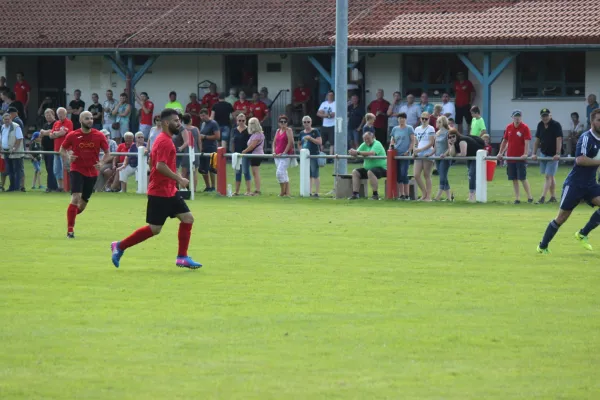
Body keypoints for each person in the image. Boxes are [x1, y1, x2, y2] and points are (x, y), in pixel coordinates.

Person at [111, 108, 202, 269]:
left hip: (169, 191)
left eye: (179, 121)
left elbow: (161, 163)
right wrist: (179, 178)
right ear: (166, 122)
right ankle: (119, 246)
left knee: (188, 219)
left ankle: (182, 257)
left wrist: (174, 179)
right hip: (159, 193)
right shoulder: (165, 141)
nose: (178, 124)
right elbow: (160, 166)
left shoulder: (164, 139)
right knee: (154, 229)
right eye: (175, 121)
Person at [536, 109, 600, 255]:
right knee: (561, 218)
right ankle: (542, 246)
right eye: (599, 120)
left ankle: (583, 234)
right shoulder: (586, 138)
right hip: (575, 185)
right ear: (592, 122)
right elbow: (580, 159)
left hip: (590, 185)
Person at [59, 111, 109, 238]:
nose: (90, 120)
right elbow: (62, 149)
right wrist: (68, 156)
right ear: (81, 120)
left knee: (81, 206)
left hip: (92, 172)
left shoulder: (99, 135)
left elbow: (108, 153)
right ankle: (70, 230)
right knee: (75, 197)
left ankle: (70, 215)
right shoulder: (73, 135)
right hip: (77, 170)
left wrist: (102, 162)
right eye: (87, 118)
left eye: (91, 118)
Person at [497, 110, 534, 204]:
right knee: (514, 178)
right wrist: (500, 152)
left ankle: (530, 197)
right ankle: (517, 198)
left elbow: (527, 142)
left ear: (521, 117)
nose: (517, 118)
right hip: (510, 157)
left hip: (520, 157)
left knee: (522, 177)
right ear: (512, 117)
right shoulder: (509, 127)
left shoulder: (525, 127)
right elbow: (505, 141)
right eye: (515, 117)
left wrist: (525, 154)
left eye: (519, 117)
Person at [532, 108, 563, 204]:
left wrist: (557, 153)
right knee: (551, 176)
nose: (545, 117)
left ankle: (542, 197)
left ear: (550, 115)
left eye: (546, 115)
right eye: (543, 116)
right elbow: (537, 140)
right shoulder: (540, 125)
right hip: (543, 153)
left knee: (548, 176)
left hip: (553, 154)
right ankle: (553, 197)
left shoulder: (556, 125)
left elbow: (559, 139)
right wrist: (534, 153)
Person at [348, 130, 387, 200]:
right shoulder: (364, 144)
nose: (366, 140)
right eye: (365, 139)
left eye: (368, 138)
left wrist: (357, 152)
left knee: (370, 172)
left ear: (373, 138)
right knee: (355, 172)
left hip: (382, 168)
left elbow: (372, 153)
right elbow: (357, 152)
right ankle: (355, 194)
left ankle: (375, 195)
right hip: (368, 169)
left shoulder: (377, 143)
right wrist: (352, 152)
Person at [447, 129, 485, 202]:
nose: (451, 138)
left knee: (471, 174)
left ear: (457, 135)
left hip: (476, 156)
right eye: (449, 137)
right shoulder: (454, 142)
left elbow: (463, 154)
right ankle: (472, 195)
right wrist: (451, 145)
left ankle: (472, 195)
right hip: (471, 157)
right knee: (470, 175)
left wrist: (456, 155)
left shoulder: (462, 140)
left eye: (453, 136)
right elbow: (452, 154)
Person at [389, 112, 415, 200]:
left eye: (403, 118)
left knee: (404, 173)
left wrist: (409, 151)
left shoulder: (409, 128)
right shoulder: (395, 129)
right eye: (400, 118)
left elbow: (413, 141)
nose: (401, 120)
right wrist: (391, 148)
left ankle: (407, 194)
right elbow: (392, 140)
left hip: (405, 154)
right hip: (396, 154)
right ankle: (401, 194)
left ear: (405, 119)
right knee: (398, 174)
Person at [413, 112, 436, 201]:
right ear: (420, 119)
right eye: (422, 118)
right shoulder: (417, 129)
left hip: (428, 152)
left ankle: (428, 196)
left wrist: (420, 149)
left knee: (426, 175)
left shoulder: (431, 128)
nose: (424, 120)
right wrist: (414, 151)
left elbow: (431, 143)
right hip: (419, 152)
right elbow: (415, 142)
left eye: (426, 119)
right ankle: (424, 193)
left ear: (429, 119)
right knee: (416, 174)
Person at [50, 107, 73, 191]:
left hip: (66, 150)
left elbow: (64, 133)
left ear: (65, 114)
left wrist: (56, 133)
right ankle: (60, 187)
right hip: (56, 150)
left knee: (66, 168)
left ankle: (67, 186)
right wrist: (58, 133)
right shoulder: (56, 123)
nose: (60, 115)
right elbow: (51, 135)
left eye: (62, 113)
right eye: (59, 113)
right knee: (57, 169)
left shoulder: (69, 122)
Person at [298, 116, 322, 197]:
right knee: (308, 174)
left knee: (315, 173)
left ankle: (317, 192)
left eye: (308, 122)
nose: (306, 123)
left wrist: (311, 138)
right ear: (302, 123)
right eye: (305, 122)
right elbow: (299, 143)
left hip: (314, 154)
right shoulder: (301, 133)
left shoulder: (315, 131)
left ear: (311, 122)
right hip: (305, 156)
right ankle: (309, 191)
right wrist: (301, 151)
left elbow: (319, 142)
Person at [198, 109, 220, 192]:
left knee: (212, 168)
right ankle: (208, 186)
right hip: (203, 148)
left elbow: (217, 136)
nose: (202, 117)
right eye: (201, 116)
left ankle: (213, 186)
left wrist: (205, 137)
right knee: (203, 168)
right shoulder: (203, 124)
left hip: (211, 148)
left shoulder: (213, 123)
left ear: (207, 115)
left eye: (203, 115)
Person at [1, 112, 24, 192]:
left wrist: (14, 148)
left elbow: (19, 138)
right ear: (3, 120)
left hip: (15, 152)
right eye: (5, 119)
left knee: (16, 170)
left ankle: (16, 187)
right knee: (10, 170)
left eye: (8, 119)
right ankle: (12, 187)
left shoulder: (16, 126)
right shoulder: (3, 127)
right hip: (6, 152)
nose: (7, 121)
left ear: (11, 119)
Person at [242, 117, 265, 195]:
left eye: (252, 124)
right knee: (254, 172)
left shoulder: (258, 134)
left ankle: (257, 190)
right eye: (250, 124)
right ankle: (256, 189)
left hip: (257, 154)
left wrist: (244, 151)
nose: (251, 125)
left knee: (255, 172)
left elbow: (252, 146)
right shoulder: (254, 134)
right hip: (254, 154)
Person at [273, 115, 294, 197]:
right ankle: (287, 193)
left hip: (285, 155)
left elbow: (290, 142)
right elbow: (274, 142)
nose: (283, 123)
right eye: (281, 122)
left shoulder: (288, 130)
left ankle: (282, 192)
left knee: (279, 172)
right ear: (279, 123)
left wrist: (284, 152)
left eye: (285, 122)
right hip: (277, 155)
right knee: (284, 173)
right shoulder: (278, 131)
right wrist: (274, 151)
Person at [231, 113, 252, 196]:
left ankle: (248, 190)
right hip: (237, 153)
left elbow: (251, 143)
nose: (241, 122)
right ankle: (237, 191)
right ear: (237, 121)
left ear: (245, 121)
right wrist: (232, 152)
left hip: (246, 153)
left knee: (246, 171)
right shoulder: (234, 130)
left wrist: (247, 151)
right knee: (237, 172)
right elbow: (232, 141)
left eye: (243, 120)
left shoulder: (248, 130)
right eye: (239, 120)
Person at [433, 116, 452, 201]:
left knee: (442, 176)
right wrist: (430, 154)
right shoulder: (437, 133)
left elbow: (450, 147)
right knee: (443, 176)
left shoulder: (448, 133)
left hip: (445, 158)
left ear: (443, 123)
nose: (437, 123)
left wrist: (445, 154)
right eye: (437, 121)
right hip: (437, 157)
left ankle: (438, 195)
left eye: (439, 121)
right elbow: (435, 147)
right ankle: (449, 197)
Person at [39, 108, 58, 192]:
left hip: (52, 149)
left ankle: (52, 187)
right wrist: (43, 132)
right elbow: (41, 134)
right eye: (46, 114)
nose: (47, 116)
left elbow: (52, 132)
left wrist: (44, 132)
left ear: (53, 115)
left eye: (49, 114)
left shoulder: (56, 123)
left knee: (51, 168)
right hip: (45, 150)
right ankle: (50, 186)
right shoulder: (45, 125)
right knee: (48, 168)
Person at [317, 90, 336, 159]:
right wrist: (327, 115)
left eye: (331, 95)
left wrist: (324, 114)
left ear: (333, 96)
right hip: (324, 125)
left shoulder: (335, 104)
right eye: (329, 95)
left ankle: (330, 157)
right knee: (322, 142)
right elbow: (318, 113)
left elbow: (333, 114)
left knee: (332, 143)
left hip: (332, 125)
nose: (330, 96)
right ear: (327, 96)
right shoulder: (324, 104)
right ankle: (320, 156)